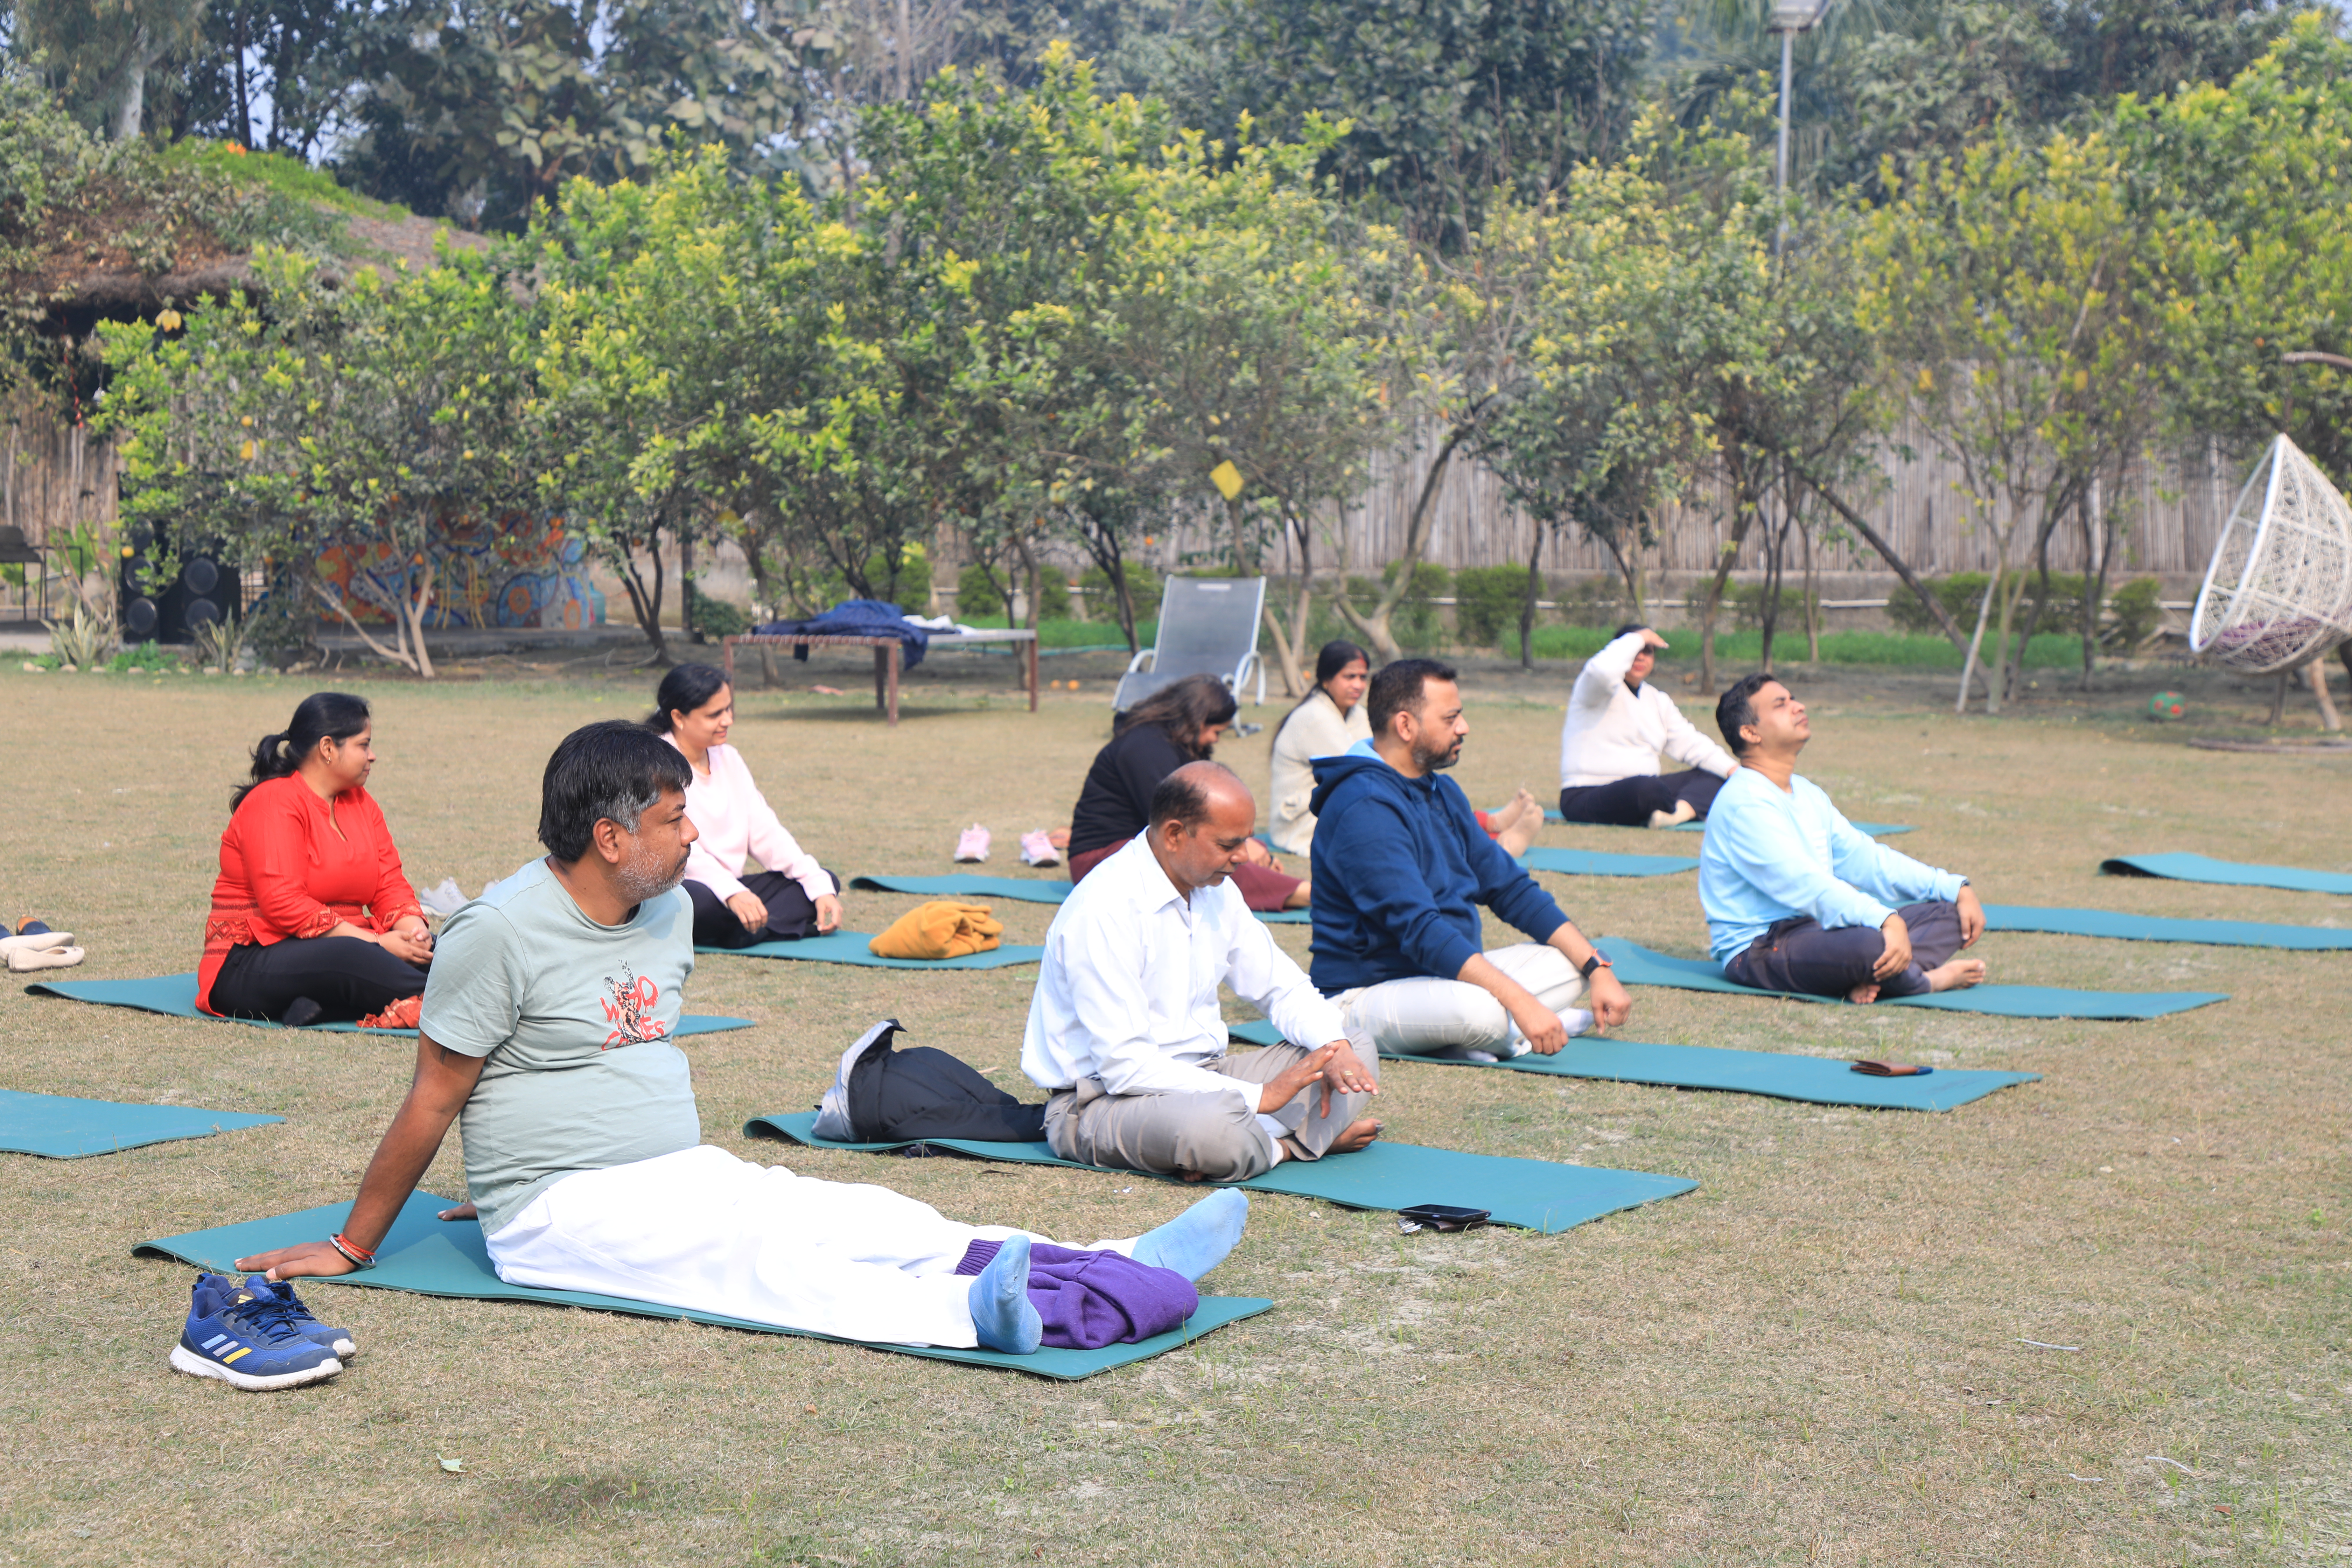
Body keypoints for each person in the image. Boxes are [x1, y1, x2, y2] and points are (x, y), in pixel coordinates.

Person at [234, 721, 1249, 1357]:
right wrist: (354, 1242)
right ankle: (969, 1317)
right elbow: (436, 1095)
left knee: (860, 1212)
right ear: (611, 837)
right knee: (758, 1260)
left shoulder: (668, 912)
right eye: (677, 822)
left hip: (670, 1169)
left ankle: (1113, 1256)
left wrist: (512, 1155)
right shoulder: (496, 930)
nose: (697, 842)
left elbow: (595, 1054)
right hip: (557, 1213)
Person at [1024, 761, 1381, 1183]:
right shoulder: (1104, 909)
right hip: (1101, 1101)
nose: (1244, 857)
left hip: (1208, 1079)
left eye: (1246, 841)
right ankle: (1283, 1146)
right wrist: (1262, 1097)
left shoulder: (1216, 890)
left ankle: (1242, 1145)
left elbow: (1281, 987)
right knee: (1210, 1128)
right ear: (1175, 834)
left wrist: (1333, 1045)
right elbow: (1126, 1067)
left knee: (1351, 1045)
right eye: (1229, 844)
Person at [1308, 659, 1634, 1062]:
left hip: (1442, 980)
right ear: (1406, 726)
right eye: (1451, 718)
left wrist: (1597, 967)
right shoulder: (1363, 805)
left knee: (1571, 962)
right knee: (1477, 1010)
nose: (1464, 727)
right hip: (1362, 996)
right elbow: (1421, 929)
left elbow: (1510, 889)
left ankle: (1496, 1030)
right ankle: (1511, 1029)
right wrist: (1520, 1000)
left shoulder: (1441, 790)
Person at [1701, 674, 1988, 1004]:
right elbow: (1805, 885)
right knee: (1872, 943)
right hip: (1761, 946)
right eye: (1781, 705)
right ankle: (1925, 981)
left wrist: (1955, 888)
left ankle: (1867, 976)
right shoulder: (1745, 802)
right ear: (1750, 733)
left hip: (1819, 932)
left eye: (1793, 699)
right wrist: (1885, 919)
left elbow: (1866, 858)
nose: (1799, 707)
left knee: (1950, 912)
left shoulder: (1807, 792)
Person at [197, 692, 432, 1029]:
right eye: (363, 745)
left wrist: (415, 934)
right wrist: (379, 944)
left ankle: (317, 1003)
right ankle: (465, 1004)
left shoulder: (362, 804)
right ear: (327, 748)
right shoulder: (273, 802)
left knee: (445, 948)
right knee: (353, 957)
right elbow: (284, 903)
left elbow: (388, 883)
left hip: (342, 948)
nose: (373, 756)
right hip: (247, 962)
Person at [1066, 673, 1308, 912]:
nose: (1215, 740)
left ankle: (1295, 890)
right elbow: (1179, 821)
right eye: (1216, 731)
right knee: (1206, 856)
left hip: (1144, 844)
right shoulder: (1144, 746)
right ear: (1197, 720)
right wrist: (1243, 846)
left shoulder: (1166, 743)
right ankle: (1306, 894)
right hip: (1100, 858)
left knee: (1213, 854)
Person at [649, 663, 844, 948]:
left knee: (824, 881)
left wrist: (817, 884)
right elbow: (678, 850)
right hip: (685, 884)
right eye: (715, 714)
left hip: (730, 886)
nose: (728, 720)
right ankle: (761, 926)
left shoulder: (729, 758)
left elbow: (766, 831)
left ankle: (748, 929)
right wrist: (732, 892)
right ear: (678, 717)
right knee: (693, 902)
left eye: (729, 709)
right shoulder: (655, 764)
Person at [1558, 624, 1738, 829]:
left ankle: (1676, 815)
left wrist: (1734, 770)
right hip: (1588, 794)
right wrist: (1640, 637)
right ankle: (1667, 809)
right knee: (1646, 789)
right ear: (1620, 651)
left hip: (1646, 789)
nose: (1641, 657)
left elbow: (1691, 743)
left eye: (1648, 652)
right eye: (1635, 650)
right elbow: (1603, 671)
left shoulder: (1658, 700)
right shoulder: (1593, 689)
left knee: (1716, 777)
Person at [1266, 640, 1373, 854]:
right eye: (1349, 677)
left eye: (1363, 677)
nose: (1359, 685)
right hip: (1301, 822)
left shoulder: (1358, 713)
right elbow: (1360, 771)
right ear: (1326, 679)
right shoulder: (1315, 717)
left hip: (1333, 808)